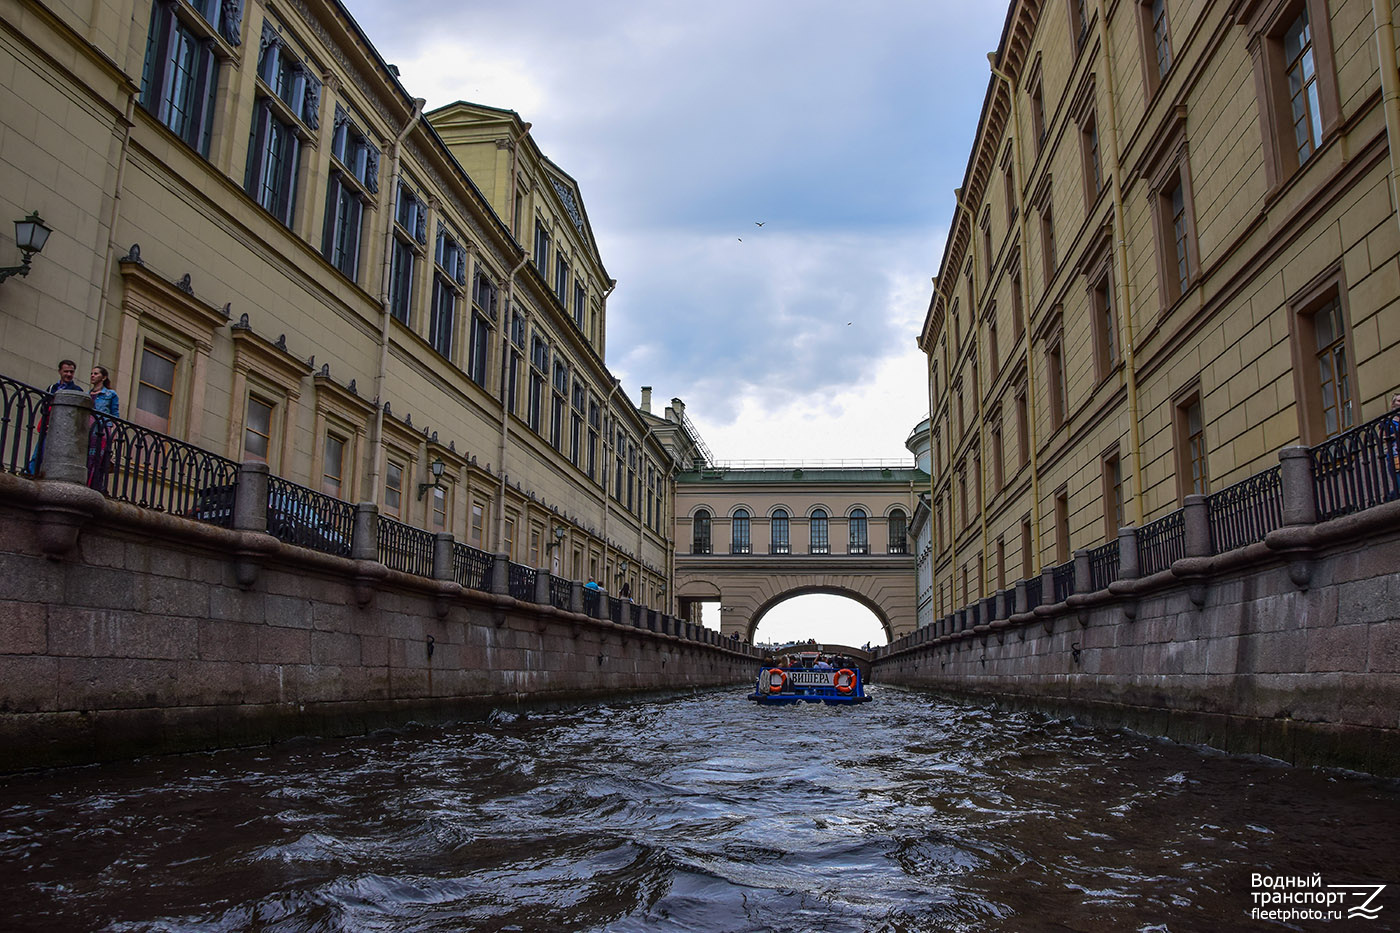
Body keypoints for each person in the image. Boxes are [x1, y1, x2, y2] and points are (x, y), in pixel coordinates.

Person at [25, 359, 82, 475]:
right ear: (60, 371)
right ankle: (31, 472)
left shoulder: (77, 390)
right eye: (66, 371)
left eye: (71, 372)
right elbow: (43, 407)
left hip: (64, 429)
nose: (69, 374)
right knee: (39, 451)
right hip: (48, 425)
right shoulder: (52, 388)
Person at [87, 365, 119, 489]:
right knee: (87, 458)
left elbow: (115, 414)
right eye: (92, 373)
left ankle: (94, 485)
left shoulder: (110, 394)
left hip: (102, 429)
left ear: (104, 377)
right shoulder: (87, 394)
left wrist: (114, 433)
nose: (92, 376)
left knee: (98, 459)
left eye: (96, 374)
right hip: (89, 429)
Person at [1386, 391, 1400, 501]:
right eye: (1399, 401)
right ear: (1393, 404)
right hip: (1395, 456)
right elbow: (1383, 437)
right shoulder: (1388, 422)